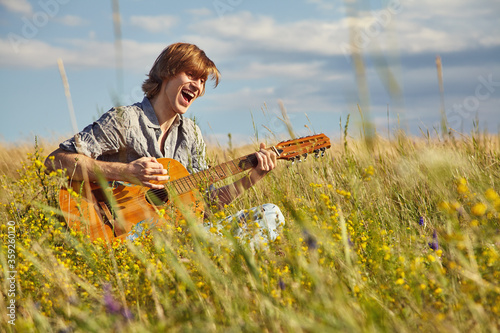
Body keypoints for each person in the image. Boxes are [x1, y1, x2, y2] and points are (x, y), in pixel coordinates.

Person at [45, 42, 284, 247]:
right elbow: (56, 160)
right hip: (123, 238)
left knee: (270, 214)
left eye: (202, 80)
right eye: (191, 75)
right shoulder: (125, 120)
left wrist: (253, 176)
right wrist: (127, 172)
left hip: (176, 238)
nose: (198, 86)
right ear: (167, 72)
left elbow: (205, 206)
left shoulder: (191, 134)